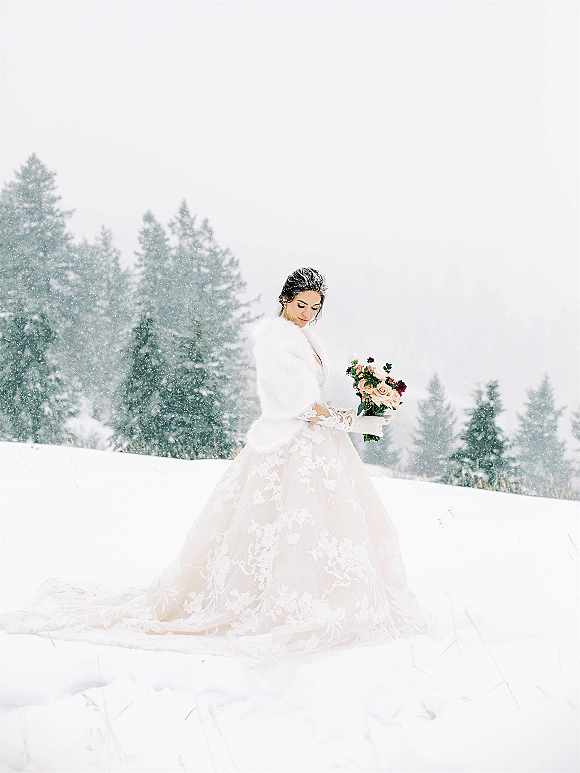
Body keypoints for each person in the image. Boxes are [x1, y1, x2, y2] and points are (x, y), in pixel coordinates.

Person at [0, 268, 435, 666]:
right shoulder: (276, 339)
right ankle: (269, 599)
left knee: (317, 525)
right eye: (300, 303)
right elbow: (300, 405)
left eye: (314, 307)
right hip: (288, 441)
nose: (307, 313)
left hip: (317, 445)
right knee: (275, 522)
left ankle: (313, 591)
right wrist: (354, 420)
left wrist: (365, 405)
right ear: (284, 300)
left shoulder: (306, 338)